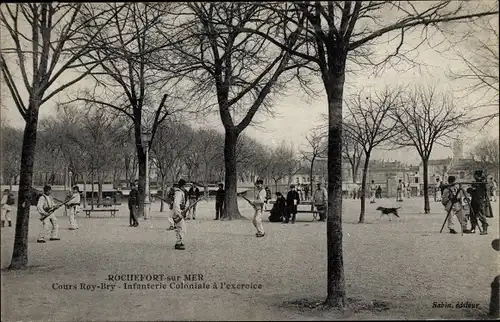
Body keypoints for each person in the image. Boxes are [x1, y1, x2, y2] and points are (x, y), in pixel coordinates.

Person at [466, 170, 489, 235]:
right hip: (474, 201)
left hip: (479, 201)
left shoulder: (483, 183)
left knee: (481, 215)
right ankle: (473, 228)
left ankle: (485, 229)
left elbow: (484, 190)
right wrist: (471, 189)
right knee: (472, 215)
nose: (474, 176)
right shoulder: (475, 183)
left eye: (475, 175)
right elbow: (469, 190)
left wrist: (480, 180)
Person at [172, 179, 188, 250]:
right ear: (182, 185)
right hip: (178, 212)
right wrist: (179, 213)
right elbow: (176, 204)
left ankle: (179, 241)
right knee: (181, 228)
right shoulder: (178, 193)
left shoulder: (179, 192)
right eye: (184, 185)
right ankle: (178, 243)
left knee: (180, 227)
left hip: (179, 211)